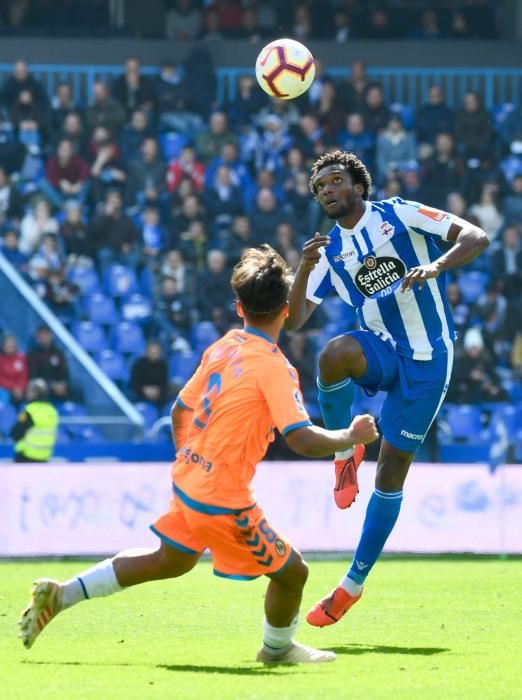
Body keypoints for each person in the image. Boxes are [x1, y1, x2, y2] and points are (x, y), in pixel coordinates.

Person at [18, 245, 379, 663]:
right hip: (221, 495)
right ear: (286, 310)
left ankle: (61, 596)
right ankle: (276, 650)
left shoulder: (225, 345)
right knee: (292, 573)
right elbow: (299, 438)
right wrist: (349, 436)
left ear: (238, 307)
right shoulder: (275, 367)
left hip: (189, 478)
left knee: (169, 560)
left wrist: (190, 460)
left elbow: (179, 410)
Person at [285, 150, 488, 628]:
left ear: (358, 184)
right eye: (319, 188)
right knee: (332, 353)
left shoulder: (399, 213)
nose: (328, 191)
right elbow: (293, 321)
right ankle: (342, 458)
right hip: (382, 347)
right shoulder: (329, 249)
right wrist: (303, 266)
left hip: (429, 357)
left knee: (392, 470)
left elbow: (476, 237)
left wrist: (436, 267)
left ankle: (351, 584)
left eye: (335, 181)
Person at [10, 378, 58, 463]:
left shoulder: (30, 411)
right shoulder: (52, 411)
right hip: (45, 457)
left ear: (35, 393)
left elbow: (15, 433)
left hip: (26, 456)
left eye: (30, 390)